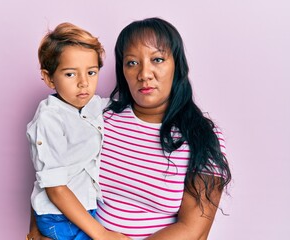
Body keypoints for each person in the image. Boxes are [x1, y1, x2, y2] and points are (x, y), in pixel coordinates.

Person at [28, 17, 231, 240]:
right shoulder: (99, 116)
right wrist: (36, 233)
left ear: (177, 65)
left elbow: (194, 231)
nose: (144, 74)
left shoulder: (201, 136)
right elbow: (51, 169)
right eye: (132, 62)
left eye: (158, 59)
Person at [26, 22, 130, 240]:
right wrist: (102, 234)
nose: (84, 83)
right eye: (71, 74)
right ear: (48, 78)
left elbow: (129, 107)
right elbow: (55, 188)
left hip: (85, 209)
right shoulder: (49, 119)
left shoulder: (94, 106)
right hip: (58, 215)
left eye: (91, 72)